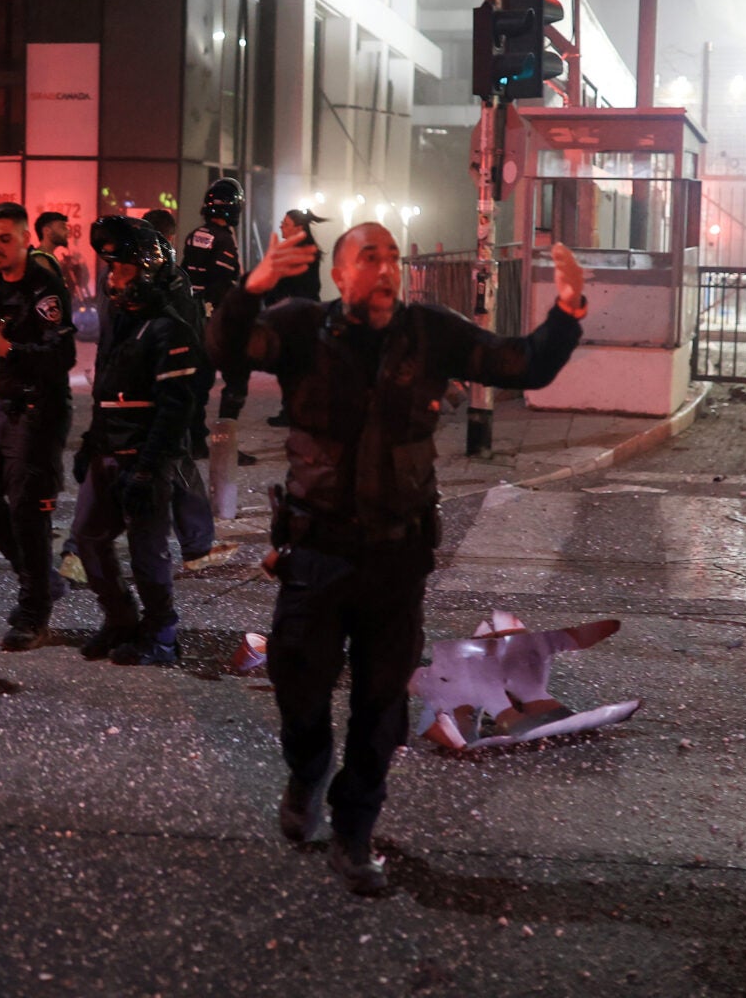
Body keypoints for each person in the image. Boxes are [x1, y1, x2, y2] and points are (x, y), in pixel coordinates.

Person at [209, 222, 587, 895]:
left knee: (380, 710)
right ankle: (307, 772)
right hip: (315, 554)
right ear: (339, 275)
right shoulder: (300, 328)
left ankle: (354, 833)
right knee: (300, 691)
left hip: (395, 560)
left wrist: (568, 310)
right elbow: (228, 347)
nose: (385, 268)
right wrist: (251, 289)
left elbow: (520, 364)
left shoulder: (430, 333)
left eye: (391, 257)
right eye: (368, 257)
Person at [70, 216, 200, 666]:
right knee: (88, 538)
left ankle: (162, 636)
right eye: (111, 268)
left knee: (148, 553)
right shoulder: (120, 322)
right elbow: (105, 389)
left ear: (147, 271)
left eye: (122, 268)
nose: (113, 278)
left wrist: (147, 469)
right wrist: (90, 440)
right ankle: (121, 619)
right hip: (107, 451)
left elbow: (175, 408)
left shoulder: (170, 329)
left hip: (144, 459)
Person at [0, 202, 78, 651]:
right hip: (4, 406)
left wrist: (8, 349)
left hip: (40, 409)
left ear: (27, 239)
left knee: (29, 512)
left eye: (5, 239)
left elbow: (62, 356)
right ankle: (40, 577)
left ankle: (34, 615)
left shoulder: (44, 287)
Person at [144, 208, 235, 573]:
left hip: (128, 388)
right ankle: (196, 545)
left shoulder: (118, 278)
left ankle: (79, 548)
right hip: (162, 383)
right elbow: (186, 328)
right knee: (177, 459)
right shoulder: (169, 278)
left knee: (120, 465)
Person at [181, 178, 248, 421]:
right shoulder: (224, 240)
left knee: (199, 380)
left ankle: (195, 435)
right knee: (237, 379)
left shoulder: (194, 235)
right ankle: (225, 436)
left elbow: (185, 274)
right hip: (217, 320)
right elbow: (222, 282)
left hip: (193, 316)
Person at [262, 209, 326, 427]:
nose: (281, 226)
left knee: (293, 366)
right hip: (296, 313)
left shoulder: (301, 252)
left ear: (299, 228)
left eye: (286, 224)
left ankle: (294, 411)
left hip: (297, 316)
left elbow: (287, 284)